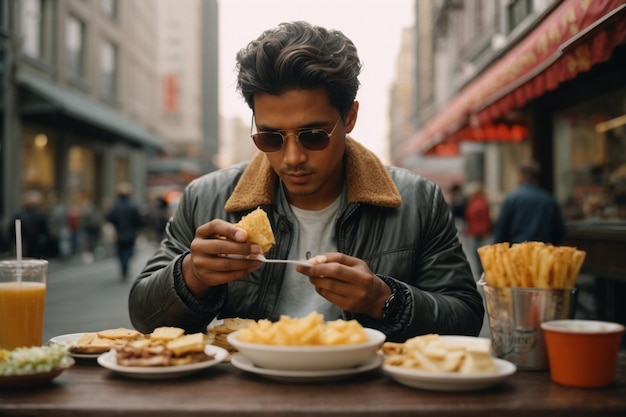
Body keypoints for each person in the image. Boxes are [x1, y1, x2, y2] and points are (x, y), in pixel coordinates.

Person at [128, 21, 484, 342]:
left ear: (349, 118)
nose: (293, 157)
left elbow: (465, 317)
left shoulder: (419, 200)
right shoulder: (206, 197)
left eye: (313, 135)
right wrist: (192, 275)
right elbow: (144, 317)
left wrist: (382, 299)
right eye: (270, 137)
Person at [494, 160, 565, 245]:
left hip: (517, 251)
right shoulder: (549, 200)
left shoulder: (512, 199)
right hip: (542, 251)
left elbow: (501, 229)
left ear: (521, 175)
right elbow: (559, 229)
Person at [106, 183, 143, 280]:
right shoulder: (132, 205)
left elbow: (110, 218)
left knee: (121, 252)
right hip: (130, 233)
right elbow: (138, 220)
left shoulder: (115, 206)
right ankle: (125, 266)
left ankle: (124, 267)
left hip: (119, 233)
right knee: (128, 252)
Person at [463, 182, 491, 277]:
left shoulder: (475, 203)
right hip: (481, 231)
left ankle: (482, 274)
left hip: (477, 231)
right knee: (479, 254)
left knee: (477, 254)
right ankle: (482, 273)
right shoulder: (482, 201)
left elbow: (471, 216)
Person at [12, 190, 50, 259]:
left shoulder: (19, 214)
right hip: (36, 245)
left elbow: (12, 231)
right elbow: (45, 231)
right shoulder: (40, 214)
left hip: (23, 244)